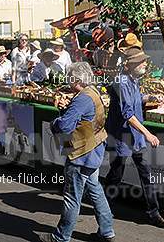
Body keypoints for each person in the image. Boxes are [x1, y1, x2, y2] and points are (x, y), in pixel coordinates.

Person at [40, 62, 115, 242]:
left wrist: (55, 122)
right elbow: (83, 118)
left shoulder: (82, 98)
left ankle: (61, 237)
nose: (67, 80)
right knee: (95, 190)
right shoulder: (93, 91)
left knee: (72, 197)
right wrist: (67, 109)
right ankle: (107, 231)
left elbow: (65, 125)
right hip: (95, 149)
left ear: (76, 79)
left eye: (69, 77)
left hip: (81, 153)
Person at [104, 49, 164, 228]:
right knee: (116, 175)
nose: (145, 64)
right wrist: (147, 133)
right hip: (121, 136)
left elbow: (137, 99)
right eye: (142, 62)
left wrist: (152, 97)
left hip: (135, 137)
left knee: (146, 174)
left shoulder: (133, 79)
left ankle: (153, 212)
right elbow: (128, 113)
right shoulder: (122, 82)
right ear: (131, 65)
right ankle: (104, 208)